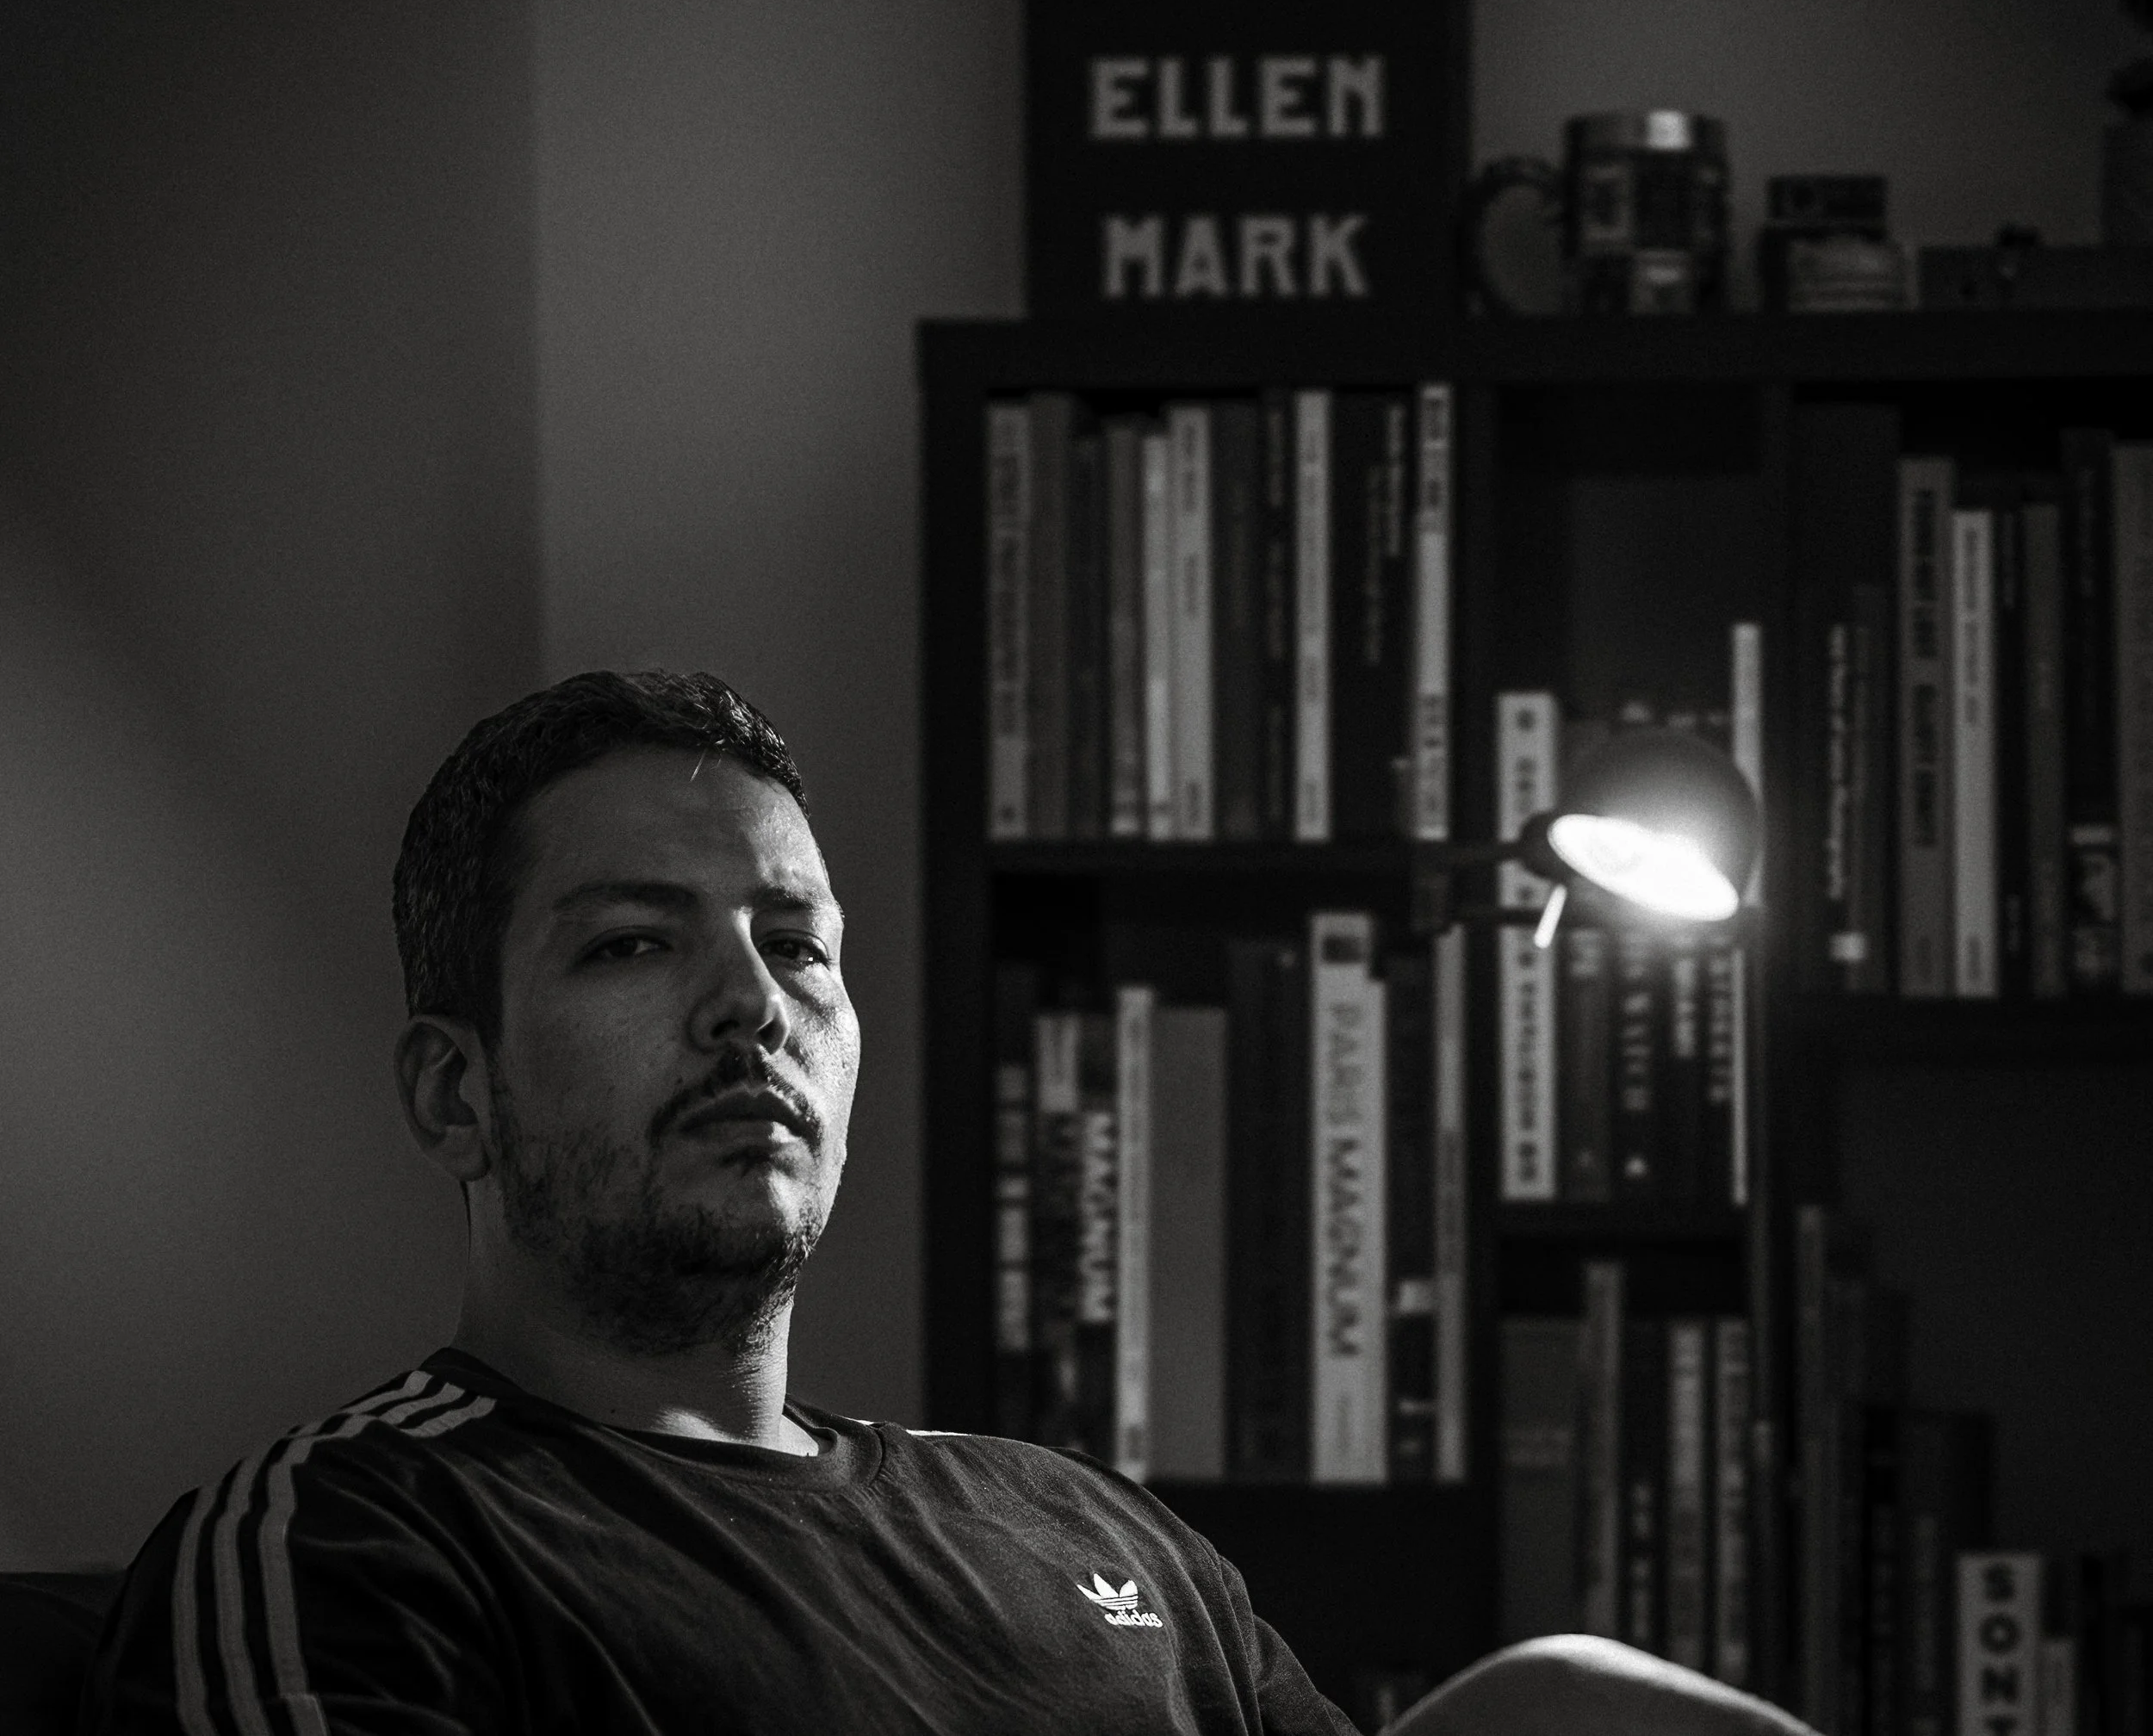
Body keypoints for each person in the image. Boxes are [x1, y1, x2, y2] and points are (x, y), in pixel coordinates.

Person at [80, 669, 1817, 1736]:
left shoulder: (1092, 1539)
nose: (748, 1003)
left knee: (1564, 1692)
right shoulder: (345, 1540)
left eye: (795, 946)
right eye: (630, 940)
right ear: (455, 1090)